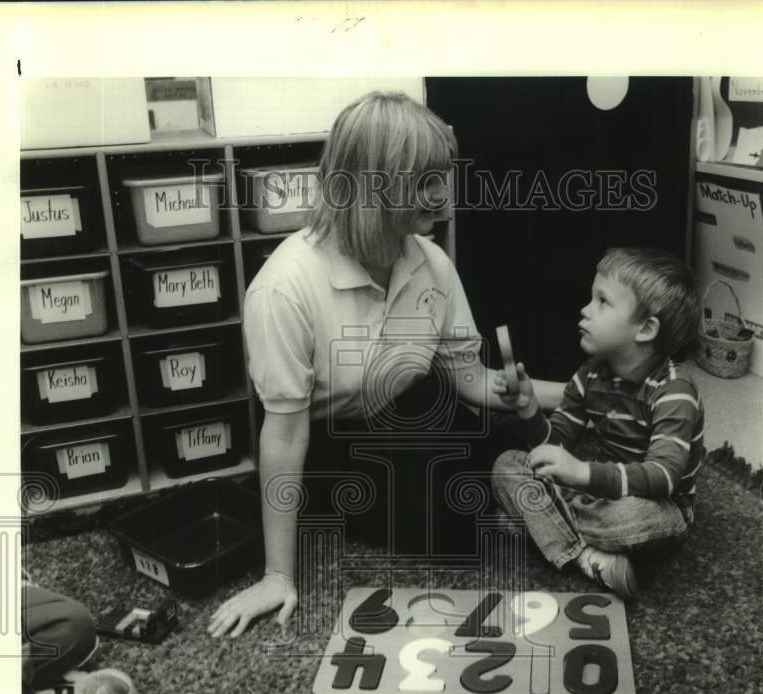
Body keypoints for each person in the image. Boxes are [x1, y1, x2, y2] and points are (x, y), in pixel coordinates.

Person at [208, 91, 561, 638]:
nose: (443, 196)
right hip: (324, 442)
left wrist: (582, 391)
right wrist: (277, 575)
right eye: (425, 182)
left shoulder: (430, 261)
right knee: (462, 529)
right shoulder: (283, 288)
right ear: (372, 183)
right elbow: (283, 435)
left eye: (442, 176)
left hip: (403, 409)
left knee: (480, 439)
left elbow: (469, 379)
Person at [490, 247, 704, 599]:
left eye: (602, 302)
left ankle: (538, 524)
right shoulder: (588, 377)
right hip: (595, 497)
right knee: (507, 465)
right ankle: (585, 557)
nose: (585, 310)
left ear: (646, 329)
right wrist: (528, 410)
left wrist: (582, 474)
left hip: (657, 508)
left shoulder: (675, 390)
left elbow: (664, 477)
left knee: (632, 517)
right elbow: (554, 449)